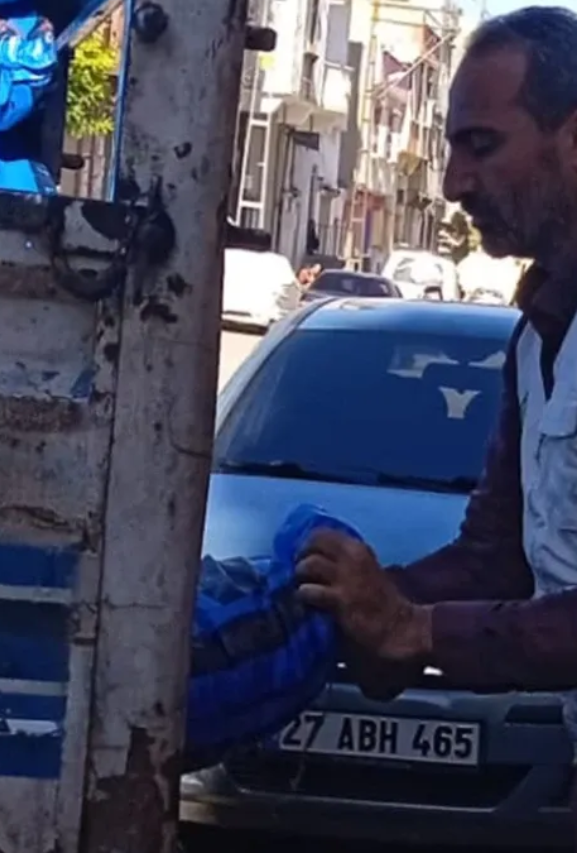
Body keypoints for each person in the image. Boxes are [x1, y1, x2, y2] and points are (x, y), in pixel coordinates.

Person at [294, 5, 577, 840]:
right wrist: (348, 602)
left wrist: (418, 629)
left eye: (482, 145)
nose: (453, 183)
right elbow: (496, 555)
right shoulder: (538, 337)